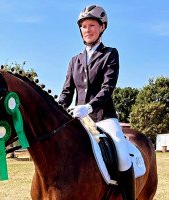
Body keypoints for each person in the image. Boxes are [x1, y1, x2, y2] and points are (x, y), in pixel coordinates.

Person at [58, 5, 135, 200]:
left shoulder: (110, 54)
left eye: (92, 25)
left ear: (102, 27)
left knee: (124, 158)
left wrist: (89, 107)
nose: (87, 30)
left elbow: (107, 88)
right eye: (83, 26)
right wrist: (58, 110)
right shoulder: (74, 60)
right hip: (78, 119)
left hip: (103, 117)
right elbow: (67, 92)